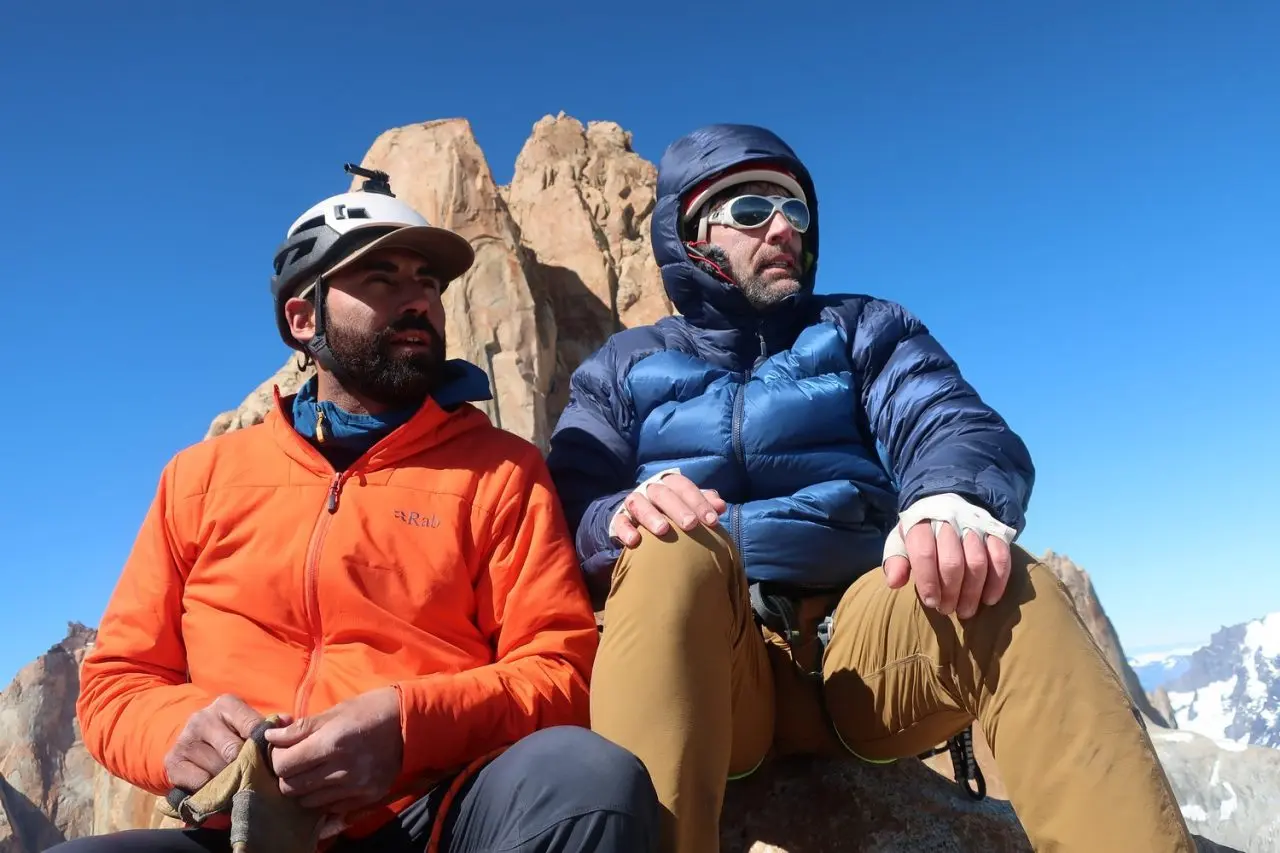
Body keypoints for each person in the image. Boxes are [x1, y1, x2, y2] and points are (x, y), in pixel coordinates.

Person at [546, 125, 1195, 853]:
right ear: (694, 234)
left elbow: (946, 418)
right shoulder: (624, 365)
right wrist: (618, 514)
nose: (785, 227)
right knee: (667, 548)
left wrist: (947, 498)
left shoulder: (860, 327)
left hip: (857, 658)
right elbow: (564, 502)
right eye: (754, 210)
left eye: (796, 209)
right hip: (718, 675)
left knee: (1008, 584)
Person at [56, 165, 659, 853]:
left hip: (430, 815)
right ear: (302, 317)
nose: (418, 301)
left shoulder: (501, 470)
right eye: (381, 279)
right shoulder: (199, 477)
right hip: (239, 829)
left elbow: (560, 670)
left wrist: (406, 729)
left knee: (587, 782)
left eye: (427, 282)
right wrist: (175, 731)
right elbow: (115, 682)